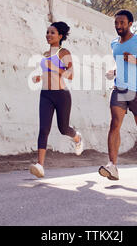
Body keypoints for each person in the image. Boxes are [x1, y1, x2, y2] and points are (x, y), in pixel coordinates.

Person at [99, 10, 137, 180]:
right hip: (120, 88)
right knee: (115, 124)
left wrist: (135, 60)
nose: (118, 26)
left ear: (130, 24)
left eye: (122, 23)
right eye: (116, 23)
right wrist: (115, 71)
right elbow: (122, 63)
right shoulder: (114, 44)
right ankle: (112, 166)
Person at [29, 22, 83, 178]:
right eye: (47, 32)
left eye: (52, 32)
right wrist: (40, 76)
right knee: (44, 129)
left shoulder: (64, 52)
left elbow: (70, 75)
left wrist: (52, 68)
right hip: (46, 94)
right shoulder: (46, 54)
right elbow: (48, 71)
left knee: (63, 128)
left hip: (61, 95)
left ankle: (77, 138)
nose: (48, 35)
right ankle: (40, 165)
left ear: (60, 36)